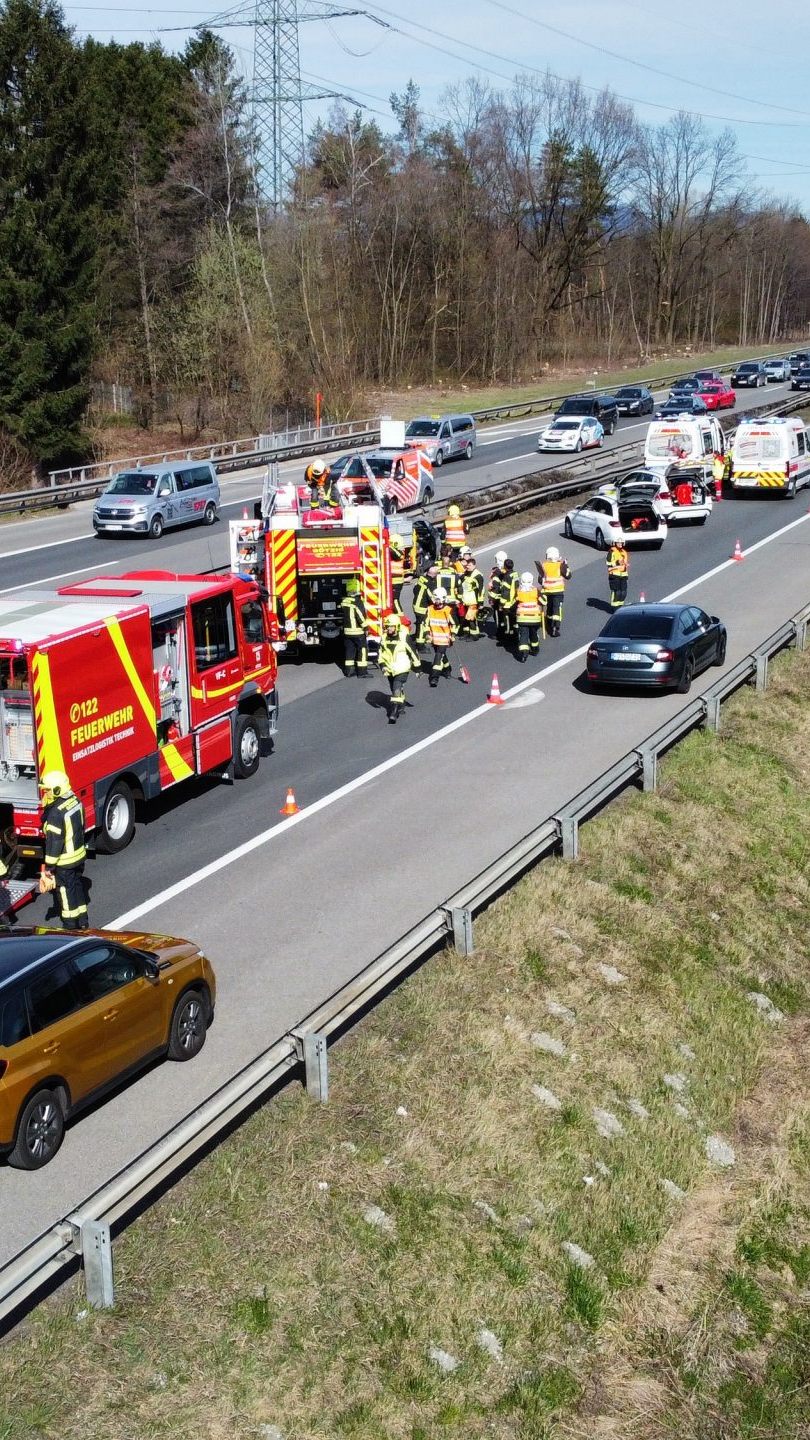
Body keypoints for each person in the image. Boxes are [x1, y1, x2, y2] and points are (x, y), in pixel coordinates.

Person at [40, 771, 88, 930]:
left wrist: (49, 867)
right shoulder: (75, 801)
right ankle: (83, 921)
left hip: (65, 861)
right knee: (77, 886)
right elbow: (82, 826)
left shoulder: (55, 813)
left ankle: (71, 926)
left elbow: (55, 842)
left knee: (66, 893)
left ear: (57, 790)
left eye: (47, 790)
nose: (45, 794)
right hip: (79, 855)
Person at [379, 613, 421, 723]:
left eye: (391, 626)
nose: (389, 629)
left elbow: (413, 652)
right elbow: (381, 654)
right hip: (389, 670)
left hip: (402, 668)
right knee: (393, 688)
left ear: (397, 626)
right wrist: (383, 666)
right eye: (387, 627)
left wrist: (417, 668)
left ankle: (393, 713)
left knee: (396, 688)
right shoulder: (384, 638)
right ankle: (401, 706)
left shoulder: (404, 637)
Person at [536, 546, 571, 637]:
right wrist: (566, 565)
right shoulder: (560, 565)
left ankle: (548, 625)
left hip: (547, 591)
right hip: (558, 591)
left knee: (550, 608)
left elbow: (540, 580)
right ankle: (555, 628)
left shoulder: (543, 565)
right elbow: (568, 575)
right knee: (557, 609)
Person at [425, 588, 456, 686]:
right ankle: (447, 669)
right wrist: (427, 634)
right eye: (435, 599)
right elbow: (425, 623)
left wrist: (453, 634)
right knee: (442, 656)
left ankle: (434, 678)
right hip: (434, 639)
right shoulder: (430, 609)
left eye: (438, 599)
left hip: (444, 640)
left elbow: (454, 624)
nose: (437, 602)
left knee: (438, 658)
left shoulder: (448, 610)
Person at [340, 577, 369, 677]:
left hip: (347, 632)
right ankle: (362, 672)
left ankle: (349, 671)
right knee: (363, 650)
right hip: (357, 632)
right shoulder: (357, 602)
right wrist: (365, 628)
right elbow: (360, 616)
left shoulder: (344, 602)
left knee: (349, 651)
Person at [515, 572, 545, 660]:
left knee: (523, 635)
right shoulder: (536, 591)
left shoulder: (518, 591)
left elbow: (514, 602)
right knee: (533, 633)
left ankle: (524, 653)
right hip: (534, 618)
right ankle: (535, 649)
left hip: (522, 618)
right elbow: (544, 602)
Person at [457, 556, 485, 638]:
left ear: (474, 565)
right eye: (467, 565)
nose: (467, 567)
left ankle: (474, 635)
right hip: (465, 601)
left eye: (469, 565)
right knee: (465, 619)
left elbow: (481, 590)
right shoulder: (466, 574)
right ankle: (466, 633)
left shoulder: (478, 576)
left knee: (471, 619)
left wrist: (481, 603)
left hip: (473, 602)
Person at [412, 564, 437, 648]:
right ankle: (420, 644)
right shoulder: (429, 584)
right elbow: (431, 598)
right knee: (422, 625)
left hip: (416, 604)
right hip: (422, 607)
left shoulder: (421, 579)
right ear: (433, 575)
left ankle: (417, 637)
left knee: (419, 622)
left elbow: (414, 589)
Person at [488, 550, 509, 644]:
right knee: (505, 617)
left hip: (497, 600)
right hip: (506, 599)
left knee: (498, 617)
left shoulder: (498, 573)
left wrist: (491, 599)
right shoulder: (508, 571)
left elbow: (496, 588)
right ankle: (505, 632)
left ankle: (500, 634)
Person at [499, 558, 518, 644]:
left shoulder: (506, 577)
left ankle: (508, 640)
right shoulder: (515, 574)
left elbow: (505, 592)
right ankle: (515, 636)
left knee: (507, 623)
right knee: (514, 621)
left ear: (505, 566)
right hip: (514, 602)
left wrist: (501, 604)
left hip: (507, 604)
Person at [606, 541, 629, 609]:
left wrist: (626, 573)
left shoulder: (624, 552)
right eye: (618, 543)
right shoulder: (611, 551)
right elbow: (608, 563)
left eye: (621, 543)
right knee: (617, 592)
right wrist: (616, 563)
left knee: (623, 593)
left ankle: (620, 607)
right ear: (615, 543)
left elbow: (625, 564)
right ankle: (614, 608)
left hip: (623, 575)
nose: (620, 544)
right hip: (614, 575)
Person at [388, 532, 407, 613]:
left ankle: (400, 616)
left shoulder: (400, 552)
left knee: (395, 600)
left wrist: (388, 546)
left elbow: (397, 555)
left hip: (396, 581)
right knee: (392, 600)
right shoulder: (396, 551)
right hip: (394, 580)